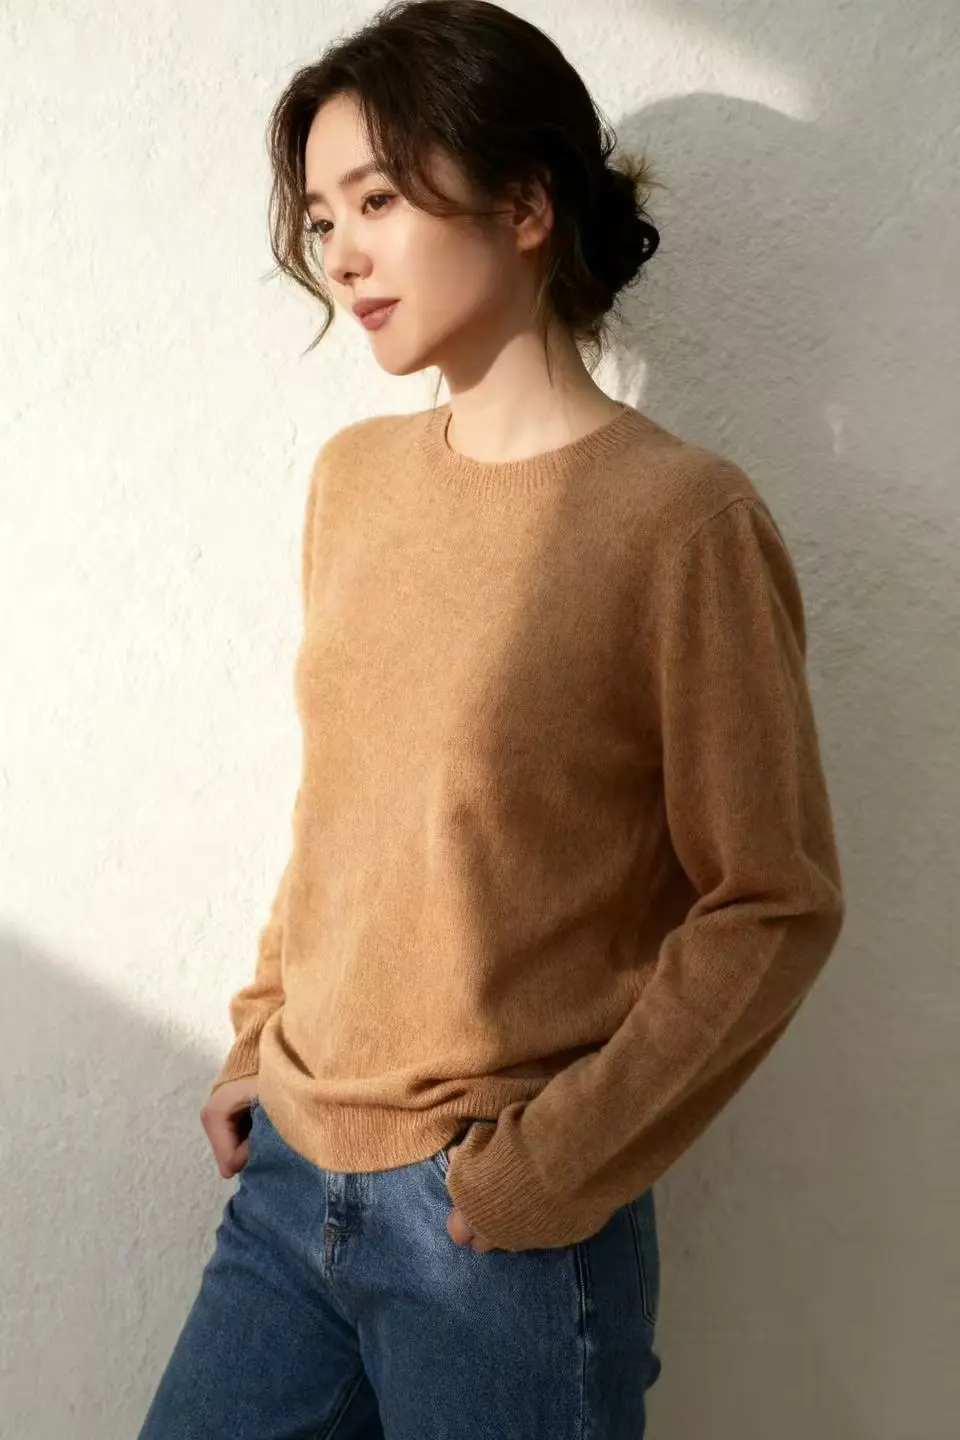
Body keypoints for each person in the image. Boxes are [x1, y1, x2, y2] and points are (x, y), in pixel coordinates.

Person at [137, 2, 846, 1436]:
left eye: (378, 200)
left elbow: (772, 901)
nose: (341, 254)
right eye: (321, 216)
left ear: (526, 206)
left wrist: (548, 1166)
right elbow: (347, 806)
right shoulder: (354, 481)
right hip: (287, 1186)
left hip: (495, 1236)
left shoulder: (681, 522)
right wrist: (260, 1036)